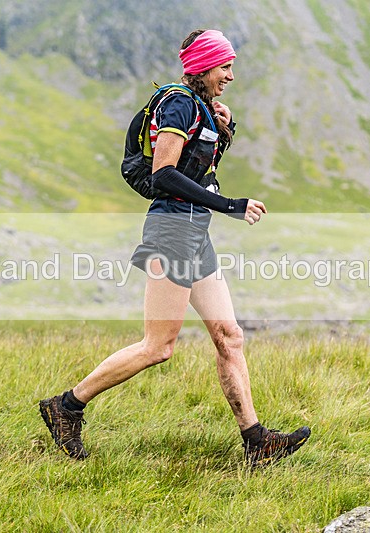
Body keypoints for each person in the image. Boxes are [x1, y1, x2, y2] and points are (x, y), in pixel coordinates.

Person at [40, 29, 310, 467]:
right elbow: (165, 173)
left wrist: (224, 130)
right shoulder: (180, 104)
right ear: (204, 66)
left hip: (193, 231)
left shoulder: (198, 107)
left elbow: (195, 165)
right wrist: (230, 205)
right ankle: (66, 407)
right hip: (172, 231)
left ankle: (257, 442)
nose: (231, 75)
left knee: (229, 336)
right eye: (225, 66)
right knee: (158, 346)